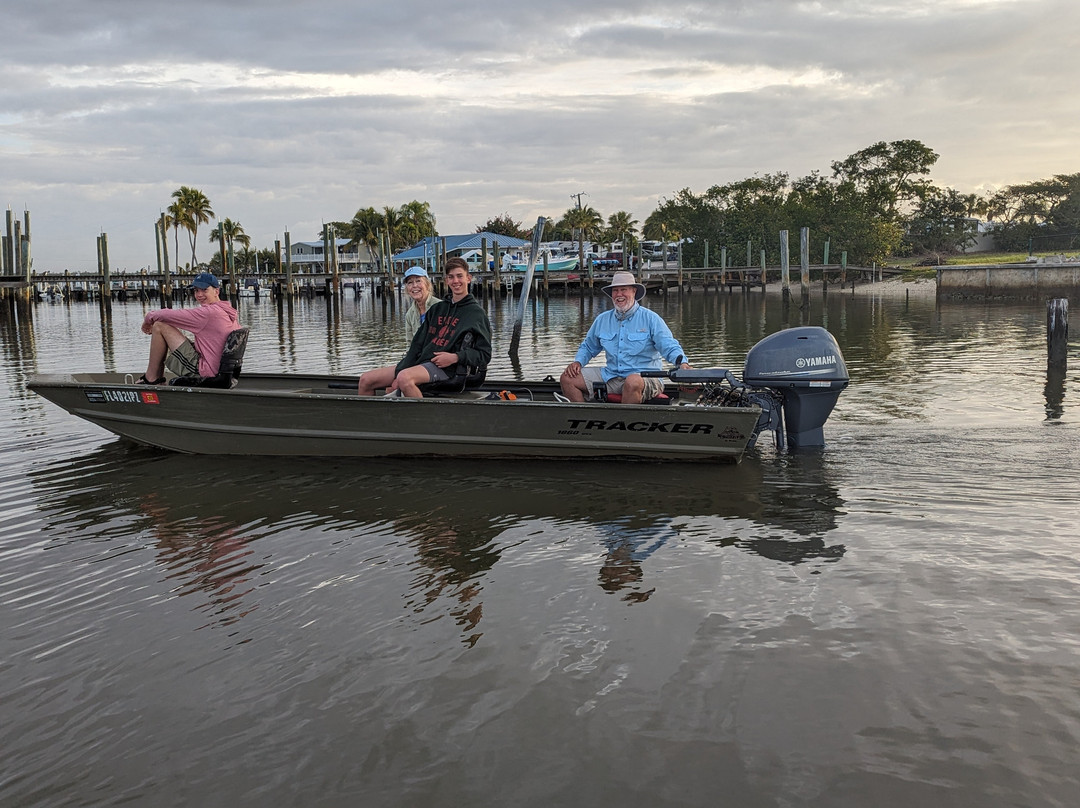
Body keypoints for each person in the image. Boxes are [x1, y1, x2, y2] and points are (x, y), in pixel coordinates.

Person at [358, 257, 492, 398]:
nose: (456, 281)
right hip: (422, 363)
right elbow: (417, 345)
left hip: (448, 368)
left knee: (405, 378)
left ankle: (422, 418)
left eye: (460, 276)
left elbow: (484, 354)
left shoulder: (476, 314)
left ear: (469, 278)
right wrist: (400, 372)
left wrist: (455, 357)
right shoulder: (437, 309)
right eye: (451, 277)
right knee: (366, 380)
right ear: (446, 280)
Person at [561, 270, 690, 404]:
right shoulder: (602, 320)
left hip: (647, 378)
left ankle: (624, 423)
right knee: (567, 378)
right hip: (611, 376)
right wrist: (578, 362)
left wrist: (682, 364)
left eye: (624, 289)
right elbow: (588, 347)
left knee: (632, 381)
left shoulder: (651, 318)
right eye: (615, 290)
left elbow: (669, 346)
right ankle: (584, 420)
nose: (619, 294)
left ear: (634, 291)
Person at [137, 271, 240, 385]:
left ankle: (151, 378)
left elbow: (168, 315)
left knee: (159, 326)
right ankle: (157, 378)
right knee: (167, 327)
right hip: (222, 370)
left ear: (216, 291)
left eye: (204, 290)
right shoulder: (227, 310)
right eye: (196, 290)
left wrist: (148, 319)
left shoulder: (208, 313)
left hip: (206, 371)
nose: (199, 295)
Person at [401, 265, 443, 337]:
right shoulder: (409, 315)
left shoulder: (441, 307)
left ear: (427, 284)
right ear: (407, 288)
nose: (414, 285)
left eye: (418, 281)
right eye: (410, 282)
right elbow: (410, 343)